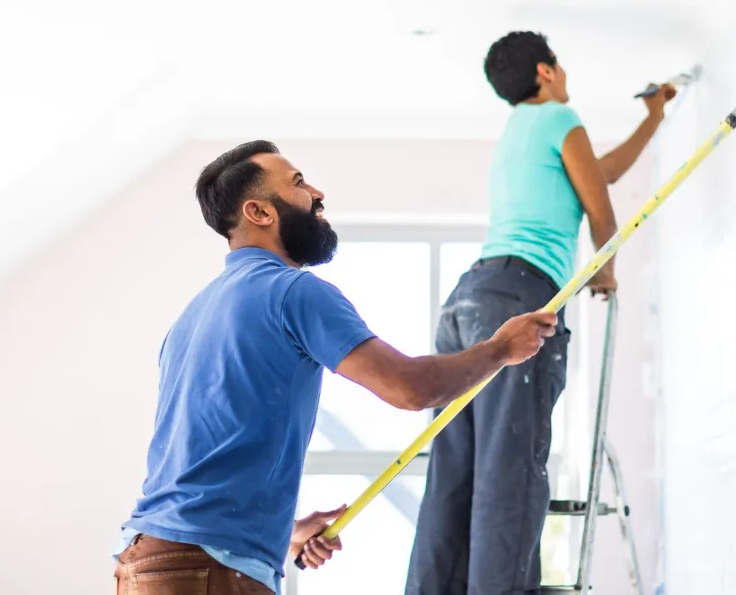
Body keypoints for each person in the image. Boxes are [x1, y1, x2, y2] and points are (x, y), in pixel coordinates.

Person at [111, 140, 561, 595]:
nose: (318, 193)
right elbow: (409, 388)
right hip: (202, 569)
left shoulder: (192, 315)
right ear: (260, 212)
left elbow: (202, 458)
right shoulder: (292, 291)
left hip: (149, 562)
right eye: (299, 183)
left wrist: (282, 535)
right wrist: (501, 347)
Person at [405, 31, 676, 595]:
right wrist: (605, 269)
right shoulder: (559, 117)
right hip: (517, 298)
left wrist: (654, 117)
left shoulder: (520, 133)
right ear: (547, 72)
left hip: (468, 301)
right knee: (508, 471)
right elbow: (602, 211)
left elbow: (599, 174)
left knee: (454, 473)